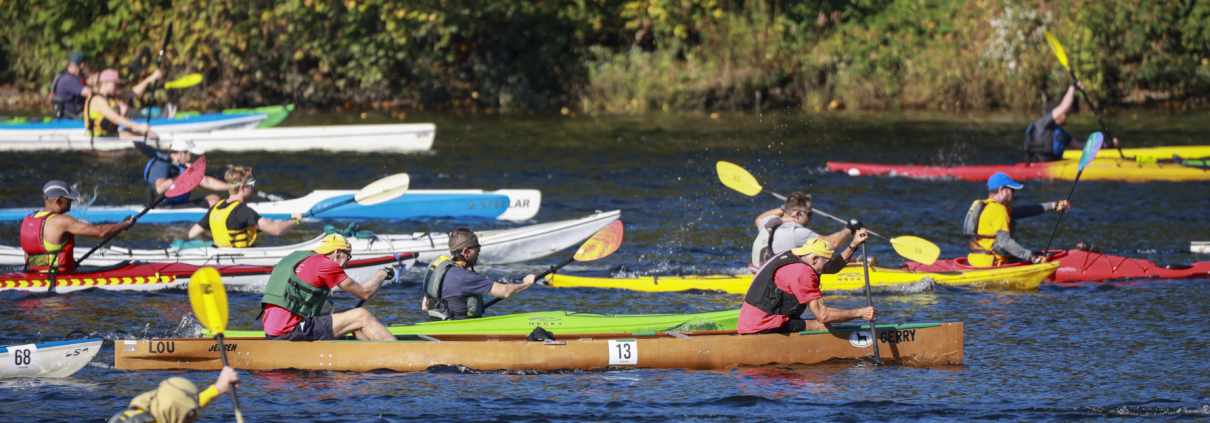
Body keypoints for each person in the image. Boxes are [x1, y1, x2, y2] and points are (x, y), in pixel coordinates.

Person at [260, 234, 396, 341]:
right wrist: (382, 274)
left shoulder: (298, 258)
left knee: (351, 315)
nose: (347, 263)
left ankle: (374, 355)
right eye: (348, 257)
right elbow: (365, 293)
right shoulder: (325, 265)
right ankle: (400, 354)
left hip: (271, 331)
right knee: (362, 315)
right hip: (290, 331)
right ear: (337, 252)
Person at [738, 238, 877, 334]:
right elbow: (823, 315)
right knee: (822, 326)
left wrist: (853, 245)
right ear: (815, 259)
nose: (827, 267)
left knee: (808, 323)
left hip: (750, 321)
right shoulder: (802, 273)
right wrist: (860, 313)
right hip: (763, 325)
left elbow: (833, 267)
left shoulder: (793, 256)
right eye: (826, 262)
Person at [421, 228, 538, 320]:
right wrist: (527, 283)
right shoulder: (465, 277)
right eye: (476, 247)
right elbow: (505, 291)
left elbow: (425, 306)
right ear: (466, 251)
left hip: (439, 328)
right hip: (461, 332)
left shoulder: (436, 270)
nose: (479, 251)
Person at [21, 181, 133, 273]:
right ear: (58, 201)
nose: (71, 201)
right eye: (68, 198)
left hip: (33, 277)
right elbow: (101, 232)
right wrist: (125, 224)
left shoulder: (30, 219)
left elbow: (28, 256)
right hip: (57, 284)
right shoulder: (61, 221)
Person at [964, 172, 1071, 267]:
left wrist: (1053, 205)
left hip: (975, 260)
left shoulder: (987, 206)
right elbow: (1004, 242)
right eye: (1012, 190)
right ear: (1001, 190)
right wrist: (1032, 257)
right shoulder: (998, 210)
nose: (1015, 194)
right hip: (993, 264)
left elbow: (1024, 211)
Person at [187, 165, 302, 247]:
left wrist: (214, 243)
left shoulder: (215, 208)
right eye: (252, 184)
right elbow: (276, 230)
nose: (254, 188)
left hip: (221, 255)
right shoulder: (243, 211)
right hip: (239, 259)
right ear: (242, 188)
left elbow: (192, 234)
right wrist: (296, 220)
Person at [751, 191, 868, 272]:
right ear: (797, 214)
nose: (811, 218)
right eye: (809, 214)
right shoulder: (797, 232)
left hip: (759, 269)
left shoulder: (768, 221)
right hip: (775, 276)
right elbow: (832, 243)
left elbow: (758, 220)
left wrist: (783, 208)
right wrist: (850, 228)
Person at [1024, 81, 1119, 162]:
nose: (1067, 115)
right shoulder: (1040, 125)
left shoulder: (1062, 134)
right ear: (1056, 113)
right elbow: (1065, 106)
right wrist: (1072, 86)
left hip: (1054, 169)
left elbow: (1082, 147)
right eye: (1065, 114)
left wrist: (1105, 145)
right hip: (1036, 169)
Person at [108, 366, 239, 423]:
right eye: (189, 418)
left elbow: (183, 409)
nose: (193, 421)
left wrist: (218, 388)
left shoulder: (155, 409)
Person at [134, 139, 225, 208]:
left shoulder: (182, 166)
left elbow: (207, 182)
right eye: (191, 154)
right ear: (181, 153)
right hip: (163, 207)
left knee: (214, 197)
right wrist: (184, 174)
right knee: (213, 202)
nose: (193, 158)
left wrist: (232, 186)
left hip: (179, 205)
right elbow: (160, 188)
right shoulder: (162, 164)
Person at [85, 68, 162, 138]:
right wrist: (137, 126)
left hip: (109, 135)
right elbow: (115, 118)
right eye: (115, 84)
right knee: (136, 134)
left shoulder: (110, 97)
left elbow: (133, 92)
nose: (117, 87)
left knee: (150, 134)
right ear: (105, 83)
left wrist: (149, 79)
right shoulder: (97, 100)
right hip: (98, 137)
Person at [50, 51, 92, 119]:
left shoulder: (65, 75)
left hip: (68, 117)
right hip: (68, 119)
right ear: (82, 65)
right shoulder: (69, 80)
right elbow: (90, 93)